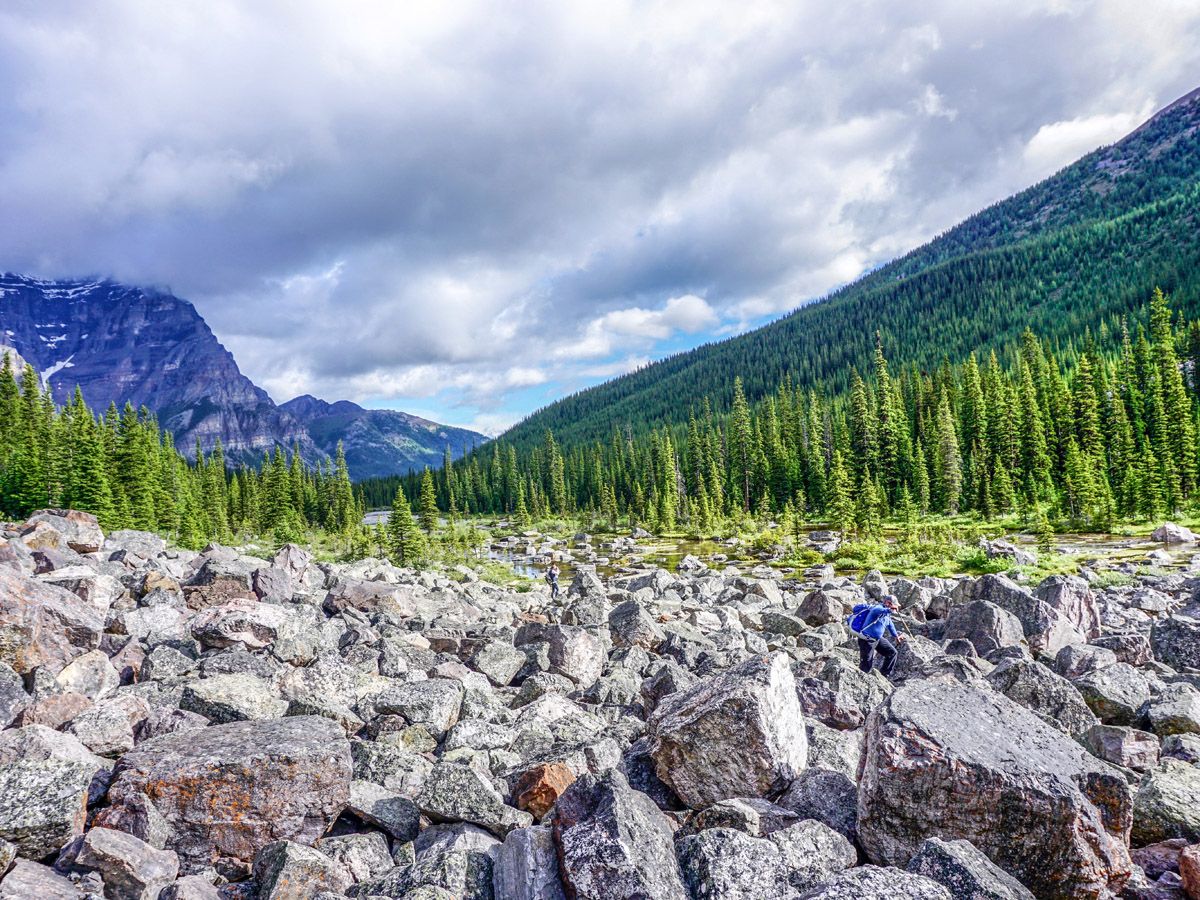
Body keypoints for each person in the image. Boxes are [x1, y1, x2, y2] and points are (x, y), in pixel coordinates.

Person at [848, 594, 906, 678]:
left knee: (892, 653)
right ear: (888, 603)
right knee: (866, 665)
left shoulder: (886, 616)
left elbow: (890, 625)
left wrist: (896, 636)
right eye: (894, 605)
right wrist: (889, 610)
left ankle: (884, 676)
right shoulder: (877, 608)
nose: (896, 608)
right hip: (866, 640)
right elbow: (878, 610)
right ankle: (860, 681)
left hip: (877, 640)